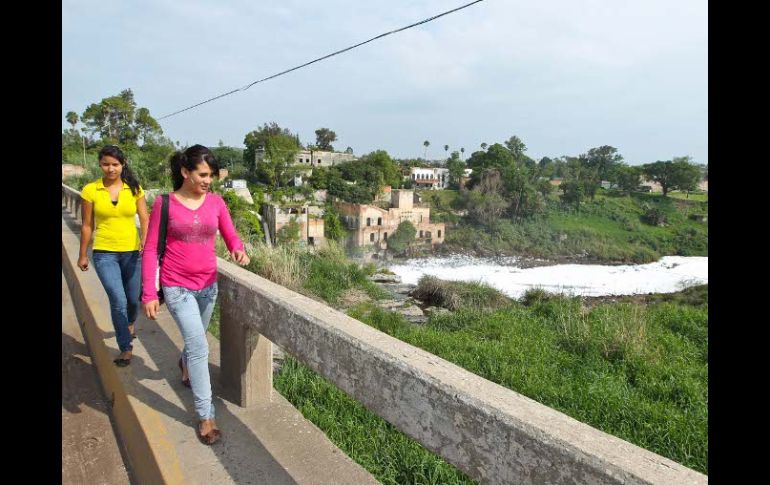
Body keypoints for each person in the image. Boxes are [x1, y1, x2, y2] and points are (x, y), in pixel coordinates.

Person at [141, 144, 250, 445]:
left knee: (195, 341)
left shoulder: (215, 202)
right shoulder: (166, 204)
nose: (208, 180)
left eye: (211, 175)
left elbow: (229, 233)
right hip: (177, 286)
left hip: (208, 286)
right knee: (200, 347)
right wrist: (149, 291)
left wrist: (237, 249)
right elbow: (150, 249)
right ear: (185, 172)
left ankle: (184, 363)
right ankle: (206, 415)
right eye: (202, 174)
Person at [78, 145, 149, 367]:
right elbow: (87, 225)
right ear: (100, 164)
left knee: (132, 300)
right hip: (104, 252)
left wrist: (145, 242)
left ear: (123, 164)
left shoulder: (134, 188)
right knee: (117, 299)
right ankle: (125, 347)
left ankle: (128, 324)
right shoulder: (91, 190)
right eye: (106, 164)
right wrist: (83, 254)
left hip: (132, 252)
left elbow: (145, 218)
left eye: (115, 164)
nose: (110, 169)